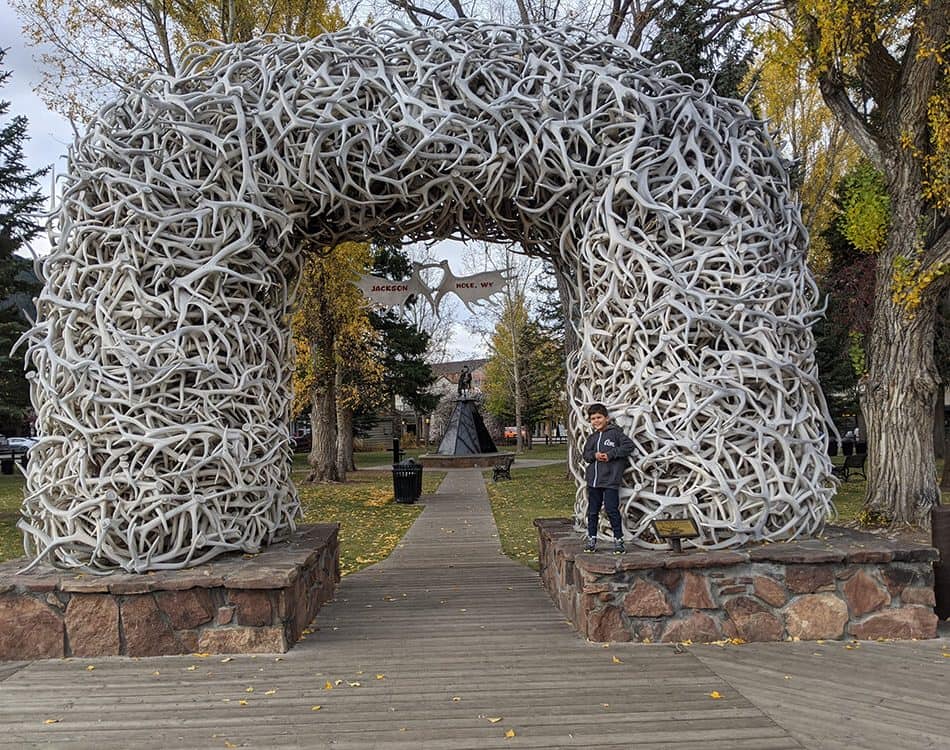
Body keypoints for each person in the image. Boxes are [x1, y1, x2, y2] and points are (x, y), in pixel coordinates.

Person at [582, 403, 634, 554]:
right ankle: (591, 538)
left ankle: (618, 540)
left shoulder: (616, 434)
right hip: (594, 481)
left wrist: (610, 454)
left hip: (610, 481)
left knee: (612, 510)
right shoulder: (592, 438)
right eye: (593, 419)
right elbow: (586, 455)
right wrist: (594, 455)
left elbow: (628, 447)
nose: (596, 421)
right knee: (592, 511)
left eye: (599, 417)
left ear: (606, 418)